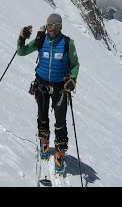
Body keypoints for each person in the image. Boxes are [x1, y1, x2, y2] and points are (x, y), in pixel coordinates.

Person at [16, 13, 79, 173]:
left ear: (60, 27)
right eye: (50, 25)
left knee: (60, 122)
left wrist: (73, 78)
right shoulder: (40, 40)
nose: (52, 29)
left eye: (56, 26)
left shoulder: (67, 43)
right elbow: (21, 52)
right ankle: (44, 143)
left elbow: (75, 64)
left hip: (61, 88)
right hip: (41, 85)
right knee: (42, 115)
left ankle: (59, 153)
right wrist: (22, 38)